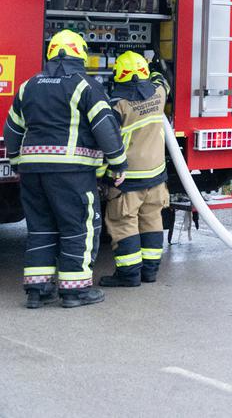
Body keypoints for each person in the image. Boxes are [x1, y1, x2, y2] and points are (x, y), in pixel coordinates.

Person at [3, 30, 127, 308]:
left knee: (40, 228)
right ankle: (76, 291)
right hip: (71, 173)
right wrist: (118, 162)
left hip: (32, 173)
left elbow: (11, 129)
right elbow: (105, 127)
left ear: (51, 54)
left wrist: (16, 160)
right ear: (80, 54)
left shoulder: (28, 86)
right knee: (78, 227)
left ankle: (37, 290)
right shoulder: (85, 86)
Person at [98, 52, 170, 288]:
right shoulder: (159, 93)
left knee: (123, 223)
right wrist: (154, 66)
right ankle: (150, 272)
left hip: (126, 179)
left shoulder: (116, 106)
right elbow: (162, 79)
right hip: (156, 176)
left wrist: (100, 175)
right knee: (152, 219)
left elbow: (107, 142)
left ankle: (128, 275)